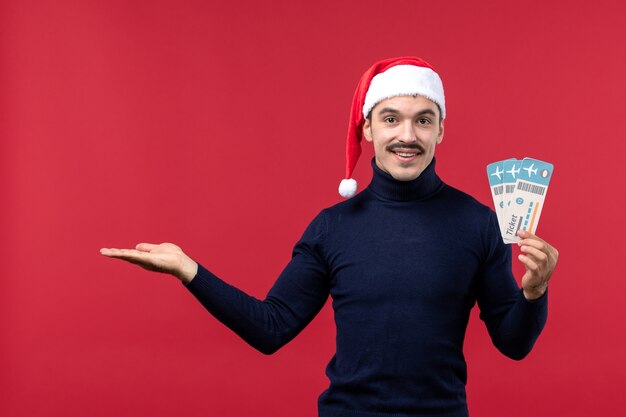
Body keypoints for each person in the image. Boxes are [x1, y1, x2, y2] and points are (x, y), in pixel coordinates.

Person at [101, 56, 559, 417]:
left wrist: (534, 292)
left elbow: (513, 344)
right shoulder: (333, 226)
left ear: (440, 129)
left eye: (423, 120)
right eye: (391, 118)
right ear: (367, 127)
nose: (407, 135)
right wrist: (189, 270)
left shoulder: (479, 223)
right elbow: (270, 327)